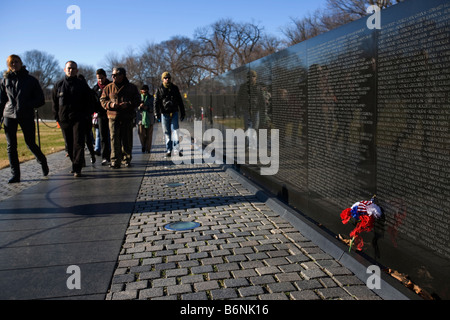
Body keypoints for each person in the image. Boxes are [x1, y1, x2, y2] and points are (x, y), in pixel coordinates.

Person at [0, 54, 49, 183]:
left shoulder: (30, 80)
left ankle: (42, 160)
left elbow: (40, 99)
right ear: (9, 65)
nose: (14, 64)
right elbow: (2, 101)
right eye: (11, 63)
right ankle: (15, 175)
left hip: (26, 115)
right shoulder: (5, 80)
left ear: (21, 63)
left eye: (16, 62)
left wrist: (28, 105)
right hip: (9, 115)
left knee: (30, 143)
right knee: (11, 146)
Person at [52, 61, 93, 177]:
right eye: (69, 68)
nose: (71, 70)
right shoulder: (58, 85)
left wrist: (86, 115)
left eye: (73, 69)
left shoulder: (82, 85)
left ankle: (77, 168)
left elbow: (89, 101)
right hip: (64, 119)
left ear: (77, 70)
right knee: (69, 145)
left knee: (78, 144)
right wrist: (56, 117)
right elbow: (54, 103)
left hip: (78, 119)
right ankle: (74, 163)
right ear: (64, 69)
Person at [100, 67, 140, 168]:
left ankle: (126, 159)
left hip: (127, 117)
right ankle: (115, 160)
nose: (113, 76)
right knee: (114, 139)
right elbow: (102, 100)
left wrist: (128, 104)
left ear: (122, 76)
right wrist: (111, 105)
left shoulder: (132, 87)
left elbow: (138, 100)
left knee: (127, 139)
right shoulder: (108, 87)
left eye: (115, 75)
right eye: (112, 75)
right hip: (113, 118)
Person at [154, 72, 185, 157]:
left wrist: (183, 112)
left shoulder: (175, 88)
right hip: (164, 113)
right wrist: (156, 114)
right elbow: (156, 103)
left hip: (174, 112)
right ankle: (169, 150)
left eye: (168, 78)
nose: (167, 79)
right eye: (165, 78)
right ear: (162, 79)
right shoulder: (159, 89)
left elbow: (180, 100)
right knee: (167, 132)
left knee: (175, 131)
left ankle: (177, 149)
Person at [92, 68, 111, 165]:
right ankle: (105, 156)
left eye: (102, 78)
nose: (100, 80)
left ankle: (113, 154)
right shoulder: (95, 89)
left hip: (111, 113)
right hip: (101, 114)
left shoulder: (111, 86)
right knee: (103, 136)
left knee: (112, 135)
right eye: (98, 78)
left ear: (105, 77)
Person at [137, 85, 154, 153]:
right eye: (142, 91)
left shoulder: (151, 97)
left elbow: (153, 107)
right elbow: (135, 107)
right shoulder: (138, 98)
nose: (144, 92)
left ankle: (148, 148)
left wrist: (148, 108)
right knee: (141, 134)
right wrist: (140, 107)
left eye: (145, 91)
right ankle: (143, 145)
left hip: (149, 118)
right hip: (140, 119)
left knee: (149, 135)